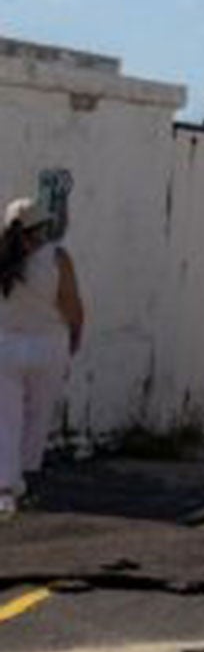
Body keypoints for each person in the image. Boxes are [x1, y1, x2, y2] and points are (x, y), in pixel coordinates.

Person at [0, 197, 84, 516]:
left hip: (4, 346)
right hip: (48, 346)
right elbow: (72, 305)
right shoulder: (56, 259)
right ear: (41, 227)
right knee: (37, 416)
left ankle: (5, 488)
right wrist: (76, 336)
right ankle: (23, 479)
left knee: (5, 419)